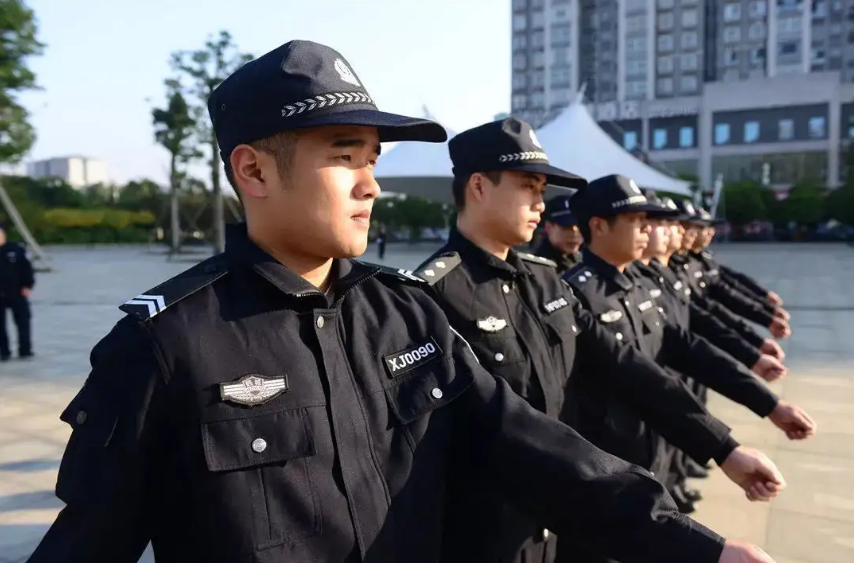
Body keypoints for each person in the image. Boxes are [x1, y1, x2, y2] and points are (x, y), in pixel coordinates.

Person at [26, 40, 780, 563]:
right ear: (253, 170)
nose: (371, 183)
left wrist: (695, 545)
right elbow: (88, 543)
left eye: (373, 159)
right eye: (343, 155)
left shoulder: (406, 316)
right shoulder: (169, 345)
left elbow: (538, 451)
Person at [413, 119, 788, 563]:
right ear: (478, 186)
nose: (542, 202)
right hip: (487, 536)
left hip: (562, 524)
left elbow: (626, 367)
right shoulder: (431, 297)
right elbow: (502, 432)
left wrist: (723, 447)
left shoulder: (545, 282)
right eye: (529, 187)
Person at [670, 200, 791, 340]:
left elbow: (730, 284)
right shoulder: (674, 266)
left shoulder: (696, 260)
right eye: (696, 226)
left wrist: (765, 308)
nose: (709, 232)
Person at [0, 222, 35, 360]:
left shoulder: (15, 249)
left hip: (17, 292)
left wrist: (28, 285)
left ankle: (25, 350)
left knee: (23, 322)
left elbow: (26, 269)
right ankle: (4, 352)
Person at [533, 194, 583, 272]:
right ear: (548, 227)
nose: (574, 233)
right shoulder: (538, 268)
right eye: (567, 226)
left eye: (580, 226)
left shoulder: (584, 262)